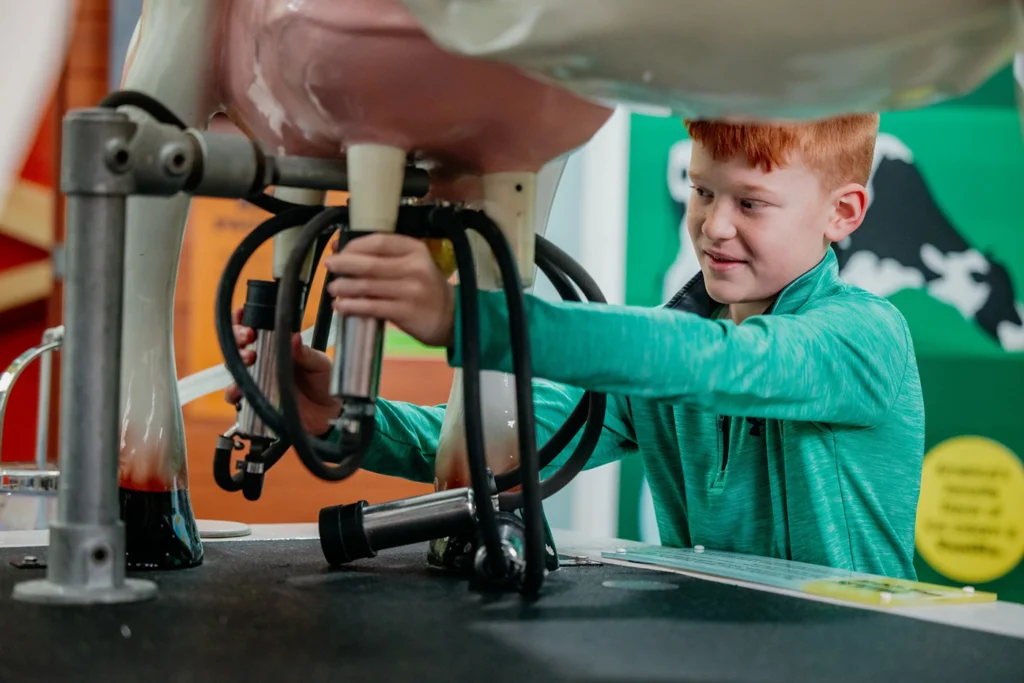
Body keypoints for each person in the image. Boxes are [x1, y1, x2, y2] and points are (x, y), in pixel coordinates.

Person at [226, 113, 925, 580]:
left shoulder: (864, 338)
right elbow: (506, 442)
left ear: (844, 212)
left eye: (750, 203)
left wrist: (466, 316)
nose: (713, 226)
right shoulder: (667, 361)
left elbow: (717, 364)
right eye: (701, 191)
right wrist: (344, 418)